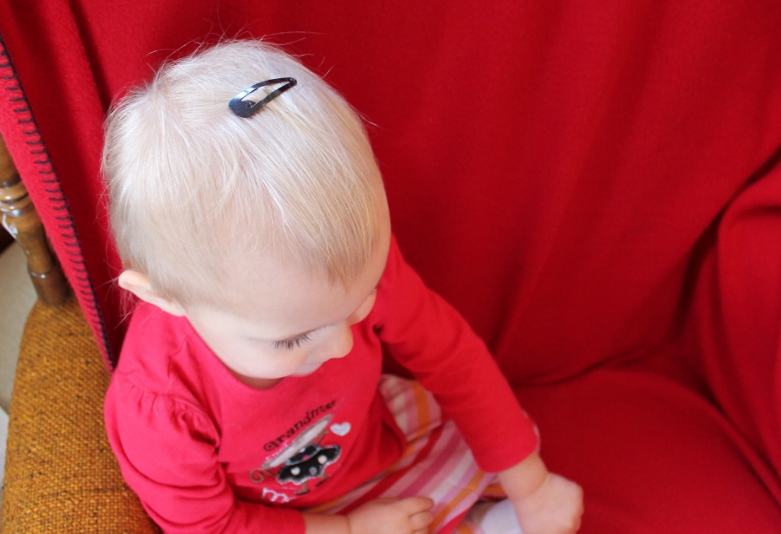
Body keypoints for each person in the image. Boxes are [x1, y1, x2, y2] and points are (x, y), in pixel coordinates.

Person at [102, 40, 583, 534]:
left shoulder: (349, 264)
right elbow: (210, 527)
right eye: (291, 339)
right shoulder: (160, 407)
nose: (342, 346)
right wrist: (349, 530)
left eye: (360, 306)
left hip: (370, 435)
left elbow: (451, 357)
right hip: (283, 520)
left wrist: (533, 487)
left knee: (504, 435)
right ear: (166, 298)